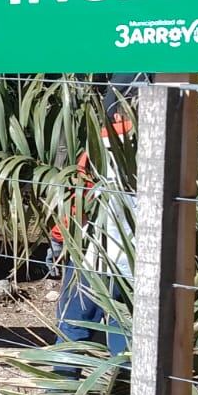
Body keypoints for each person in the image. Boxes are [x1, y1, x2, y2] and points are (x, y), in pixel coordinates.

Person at [51, 74, 142, 365]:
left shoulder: (97, 147)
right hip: (142, 265)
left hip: (92, 258)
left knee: (72, 330)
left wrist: (57, 239)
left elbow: (77, 201)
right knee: (125, 339)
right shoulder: (179, 142)